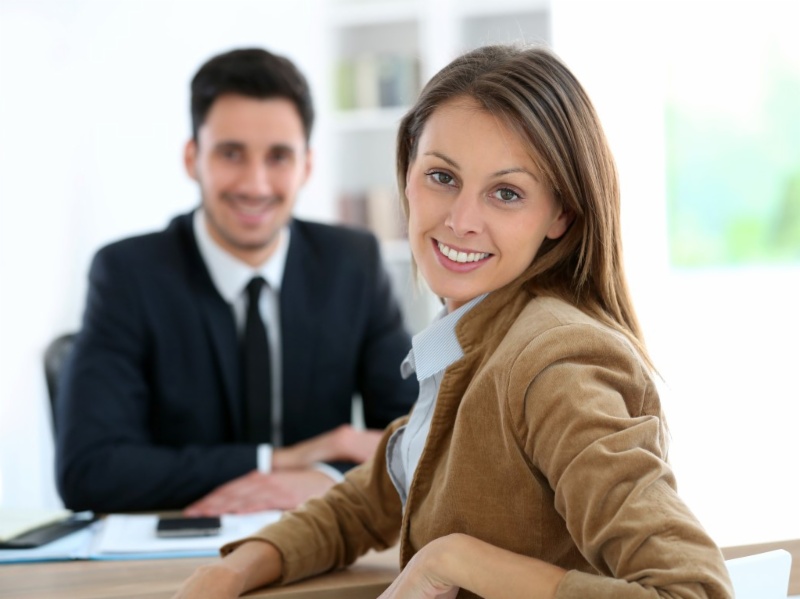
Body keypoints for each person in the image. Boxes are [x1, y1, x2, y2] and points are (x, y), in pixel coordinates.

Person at [171, 43, 733, 598]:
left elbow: (693, 592)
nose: (462, 221)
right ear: (408, 174)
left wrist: (457, 560)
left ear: (561, 213)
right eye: (442, 177)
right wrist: (233, 571)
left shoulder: (556, 360)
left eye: (506, 193)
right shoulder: (472, 339)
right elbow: (366, 501)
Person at [55, 48, 418, 514]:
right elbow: (89, 471)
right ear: (193, 158)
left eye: (278, 157)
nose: (255, 184)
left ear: (306, 166)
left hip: (317, 543)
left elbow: (418, 439)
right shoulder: (127, 273)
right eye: (231, 154)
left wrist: (325, 479)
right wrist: (277, 462)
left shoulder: (352, 263)